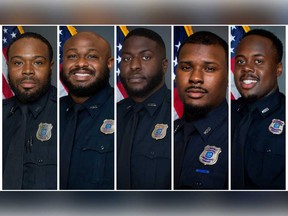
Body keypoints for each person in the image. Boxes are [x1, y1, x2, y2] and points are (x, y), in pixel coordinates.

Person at [117, 28, 171, 189]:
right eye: (126, 58)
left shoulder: (179, 113)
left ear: (164, 65)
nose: (134, 65)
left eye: (146, 57)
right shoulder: (110, 113)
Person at [231, 29, 285, 190]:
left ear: (278, 69)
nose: (246, 68)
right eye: (240, 61)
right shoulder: (223, 115)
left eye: (258, 61)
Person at [174, 31, 228, 189]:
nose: (195, 78)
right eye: (186, 67)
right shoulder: (166, 134)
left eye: (210, 68)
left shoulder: (240, 134)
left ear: (227, 76)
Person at [60, 31, 114, 189]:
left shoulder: (124, 113)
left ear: (109, 63)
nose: (81, 63)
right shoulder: (51, 110)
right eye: (72, 56)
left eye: (91, 56)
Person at [3, 32, 57, 190]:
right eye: (18, 63)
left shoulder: (68, 113)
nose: (27, 71)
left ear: (50, 67)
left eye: (38, 62)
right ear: (8, 66)